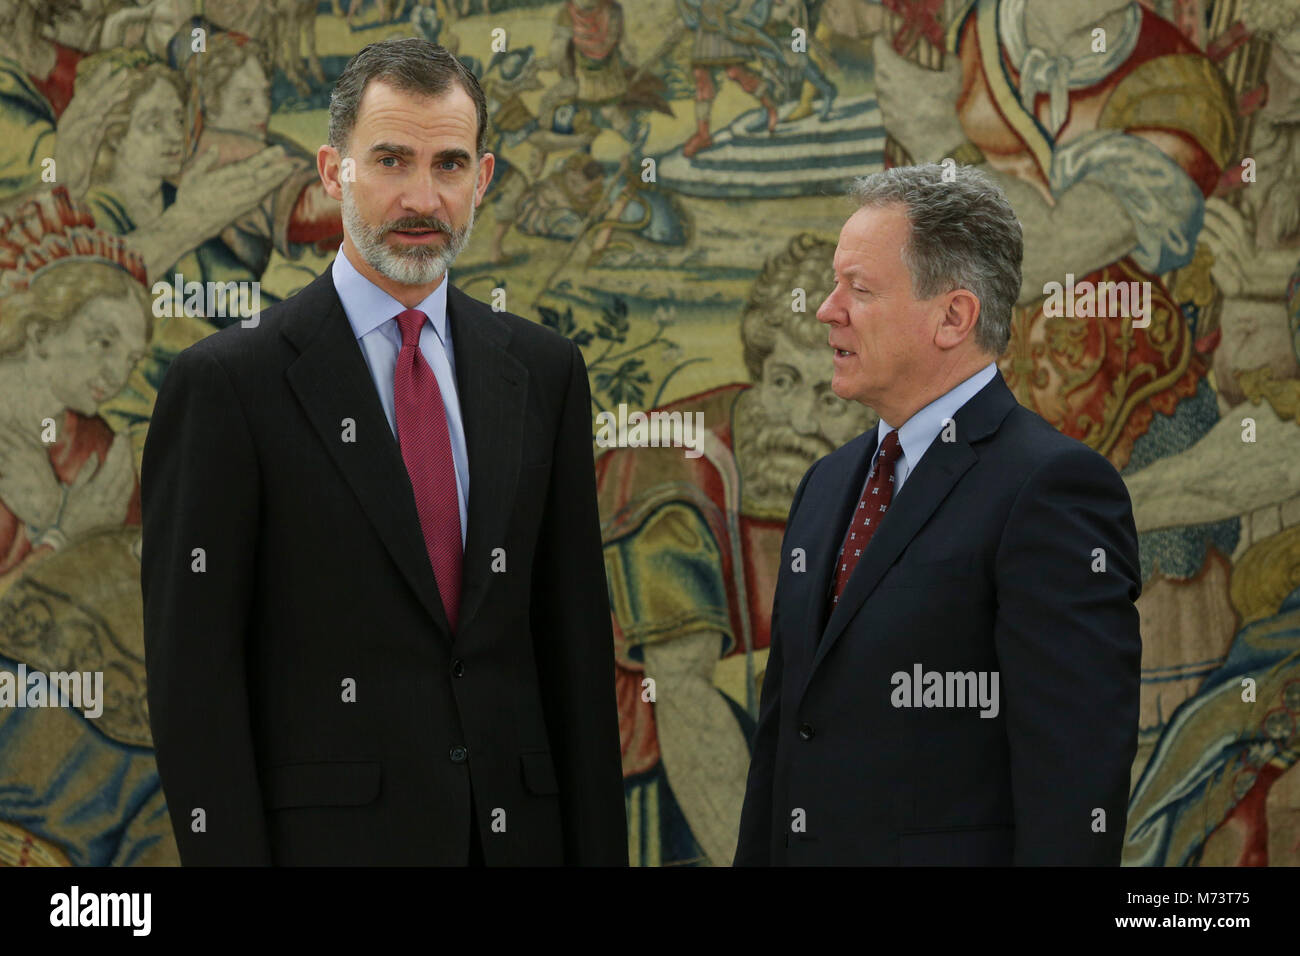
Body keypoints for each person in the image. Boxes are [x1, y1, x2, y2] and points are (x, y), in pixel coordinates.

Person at [140, 37, 627, 865]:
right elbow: (196, 688)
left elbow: (575, 650)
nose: (421, 197)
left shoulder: (544, 372)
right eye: (392, 160)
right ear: (334, 172)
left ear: (483, 179)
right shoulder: (226, 385)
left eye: (448, 165)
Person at [734, 163, 1142, 865]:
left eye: (858, 290)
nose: (827, 309)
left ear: (953, 317)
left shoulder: (1053, 490)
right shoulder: (828, 485)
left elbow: (1074, 789)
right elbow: (785, 745)